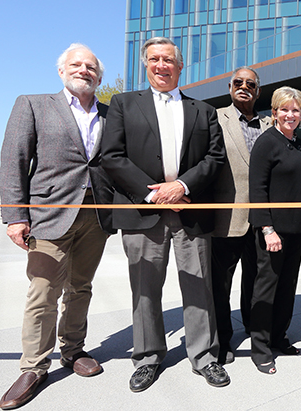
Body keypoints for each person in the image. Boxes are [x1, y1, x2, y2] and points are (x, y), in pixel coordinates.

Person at [101, 37, 228, 392]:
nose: (162, 65)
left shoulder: (203, 110)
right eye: (154, 59)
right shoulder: (123, 104)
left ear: (180, 65)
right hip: (143, 212)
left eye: (168, 59)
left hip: (190, 211)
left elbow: (214, 159)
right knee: (144, 289)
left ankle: (204, 356)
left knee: (199, 286)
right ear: (146, 64)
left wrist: (182, 187)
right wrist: (154, 194)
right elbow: (112, 157)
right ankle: (148, 357)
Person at [0, 43, 113, 410]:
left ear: (99, 76)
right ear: (61, 71)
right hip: (49, 216)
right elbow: (13, 160)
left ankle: (73, 350)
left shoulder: (111, 115)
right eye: (76, 64)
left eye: (91, 66)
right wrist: (15, 216)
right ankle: (33, 366)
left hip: (95, 218)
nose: (84, 70)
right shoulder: (32, 104)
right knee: (43, 292)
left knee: (81, 287)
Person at [248, 86, 301, 375]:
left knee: (287, 288)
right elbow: (257, 189)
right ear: (274, 112)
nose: (290, 114)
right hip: (273, 232)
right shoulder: (267, 143)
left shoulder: (299, 144)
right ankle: (260, 346)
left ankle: (278, 337)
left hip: (297, 231)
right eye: (285, 109)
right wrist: (267, 229)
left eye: (296, 110)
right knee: (266, 288)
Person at [211, 66, 272, 364]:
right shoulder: (214, 117)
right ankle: (222, 338)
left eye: (250, 84)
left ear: (258, 92)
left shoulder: (270, 124)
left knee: (257, 278)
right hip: (226, 217)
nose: (244, 86)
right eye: (238, 82)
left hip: (261, 219)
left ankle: (253, 325)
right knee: (220, 283)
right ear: (230, 86)